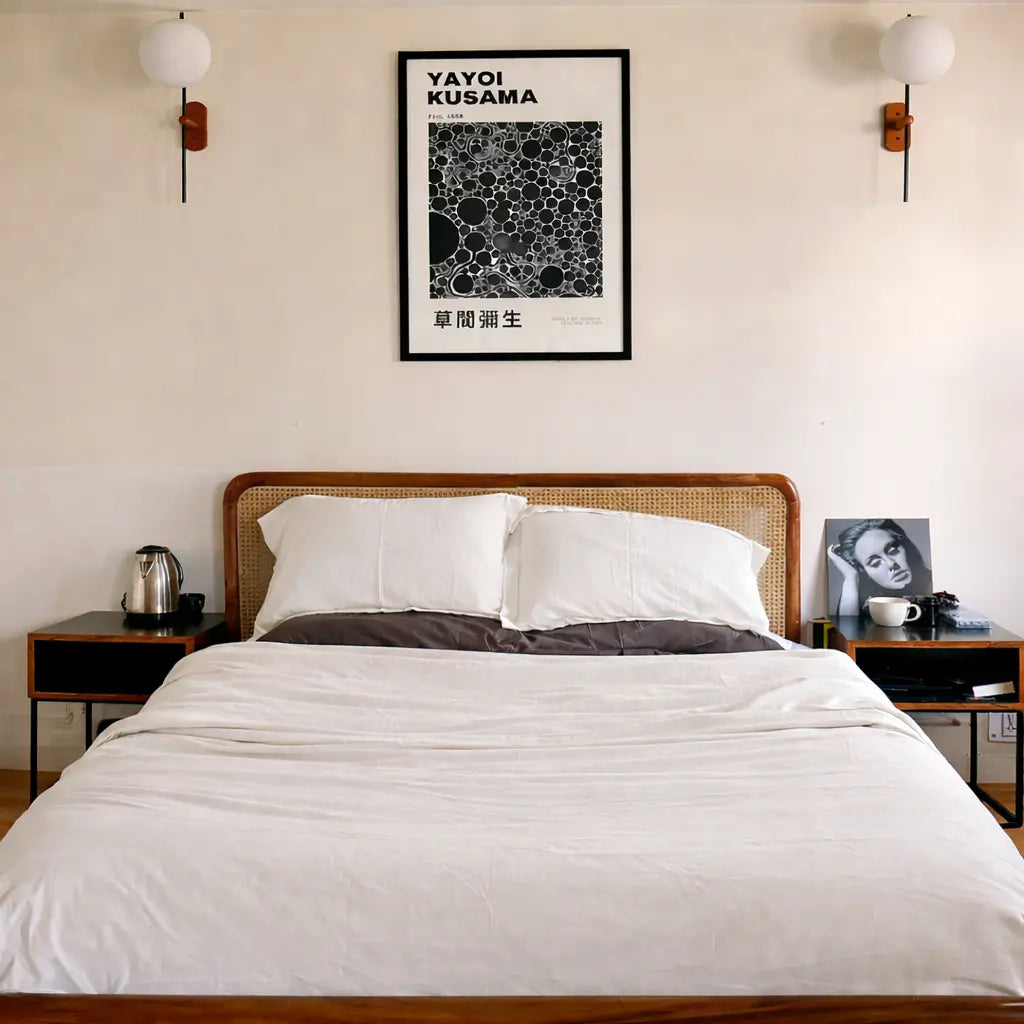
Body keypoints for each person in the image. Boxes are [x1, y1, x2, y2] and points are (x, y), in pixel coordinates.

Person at [827, 518, 932, 617]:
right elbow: (847, 628)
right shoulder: (869, 606)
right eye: (875, 563)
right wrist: (851, 577)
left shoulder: (934, 589)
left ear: (907, 548)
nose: (891, 564)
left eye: (893, 551)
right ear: (865, 573)